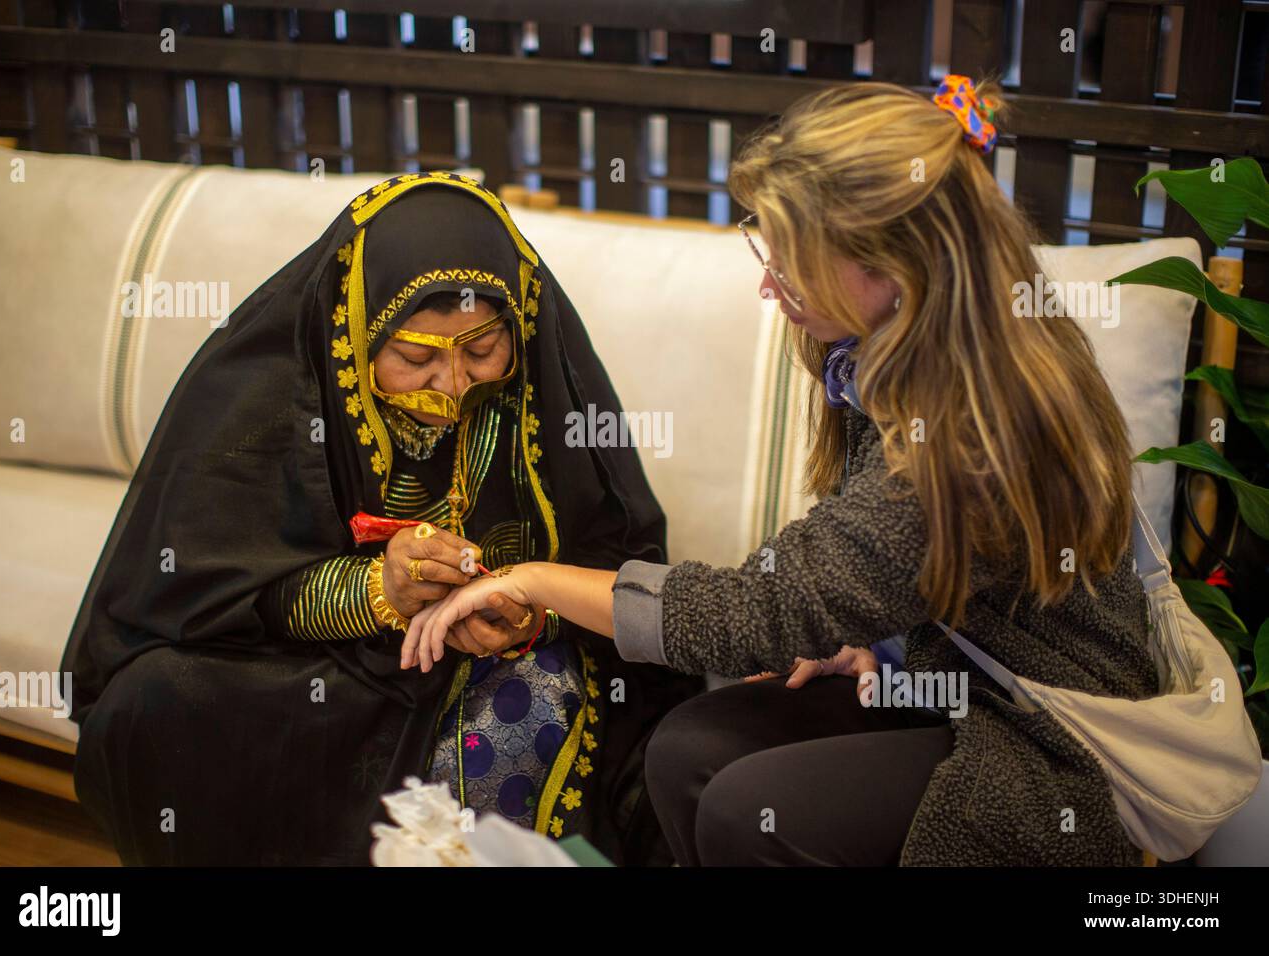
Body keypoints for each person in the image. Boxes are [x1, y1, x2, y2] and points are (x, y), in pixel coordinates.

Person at [402, 77, 1162, 866]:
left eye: (790, 262)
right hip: (945, 680)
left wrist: (529, 580)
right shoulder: (881, 357)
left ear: (889, 263)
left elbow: (756, 613)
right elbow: (880, 576)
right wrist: (887, 641)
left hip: (1047, 743)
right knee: (690, 745)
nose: (769, 285)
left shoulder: (971, 427)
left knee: (747, 809)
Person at [61, 172, 700, 865]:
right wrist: (378, 592)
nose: (452, 386)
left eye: (482, 352)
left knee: (537, 700)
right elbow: (215, 590)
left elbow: (610, 563)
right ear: (355, 331)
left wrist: (529, 612)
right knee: (154, 702)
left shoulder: (539, 394)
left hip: (484, 665)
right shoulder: (268, 392)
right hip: (311, 666)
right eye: (416, 358)